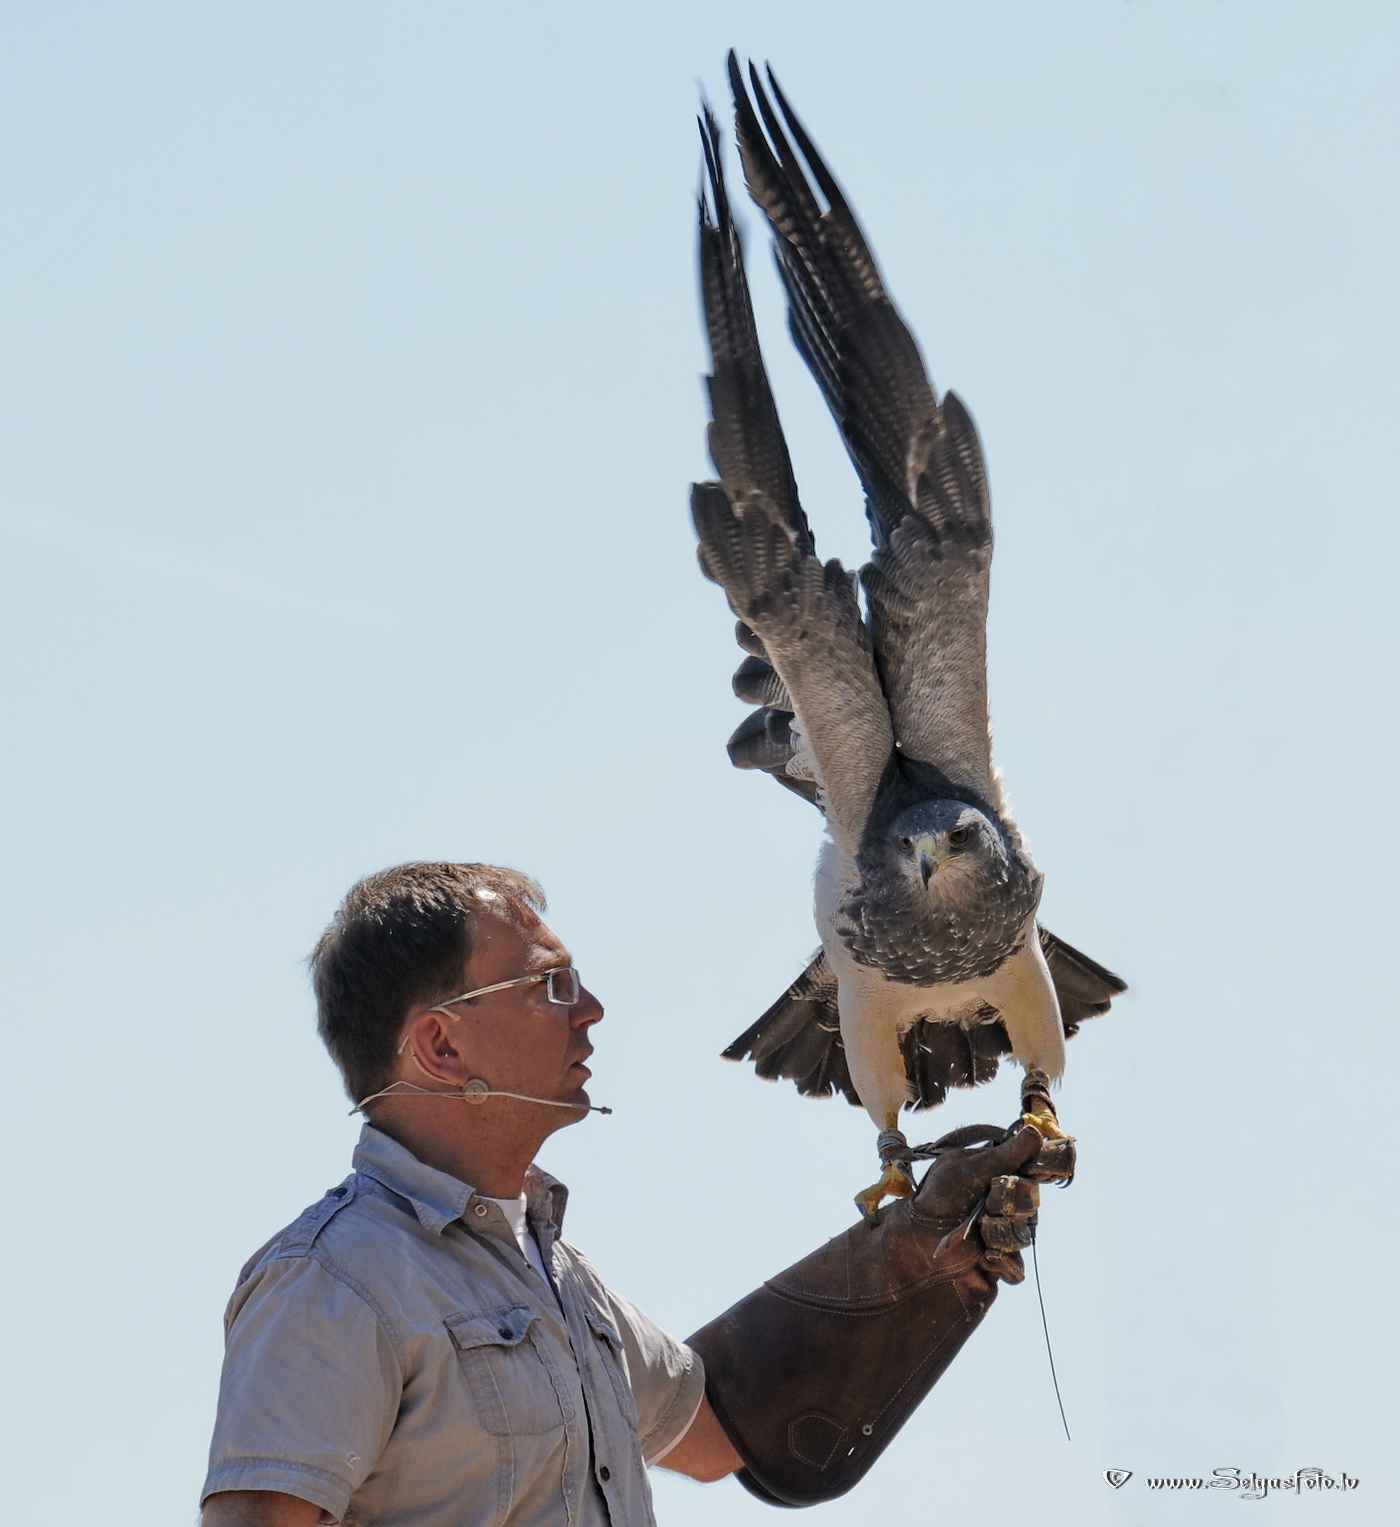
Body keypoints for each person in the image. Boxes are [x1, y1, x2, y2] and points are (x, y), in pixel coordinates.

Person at [201, 862, 1059, 1525]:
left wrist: (915, 1252)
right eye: (551, 985)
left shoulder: (559, 1277)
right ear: (441, 1046)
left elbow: (719, 1426)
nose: (592, 1009)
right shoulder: (334, 1281)